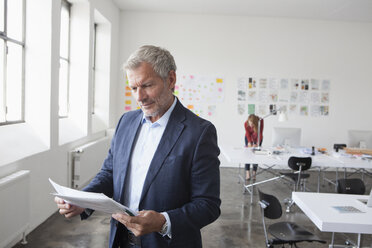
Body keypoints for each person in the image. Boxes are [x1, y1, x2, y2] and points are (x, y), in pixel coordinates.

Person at [54, 45, 221, 248]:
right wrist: (83, 200)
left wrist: (163, 221)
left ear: (171, 79)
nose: (139, 97)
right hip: (120, 240)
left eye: (147, 85)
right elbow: (110, 173)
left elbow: (208, 205)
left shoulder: (199, 132)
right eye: (133, 88)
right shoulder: (126, 122)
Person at [244, 114, 263, 181]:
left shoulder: (260, 121)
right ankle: (247, 172)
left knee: (256, 155)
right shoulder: (246, 123)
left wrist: (257, 143)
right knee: (247, 155)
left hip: (257, 137)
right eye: (250, 123)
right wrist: (249, 142)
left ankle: (254, 172)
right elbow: (248, 134)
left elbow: (260, 133)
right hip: (248, 137)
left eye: (252, 124)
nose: (251, 125)